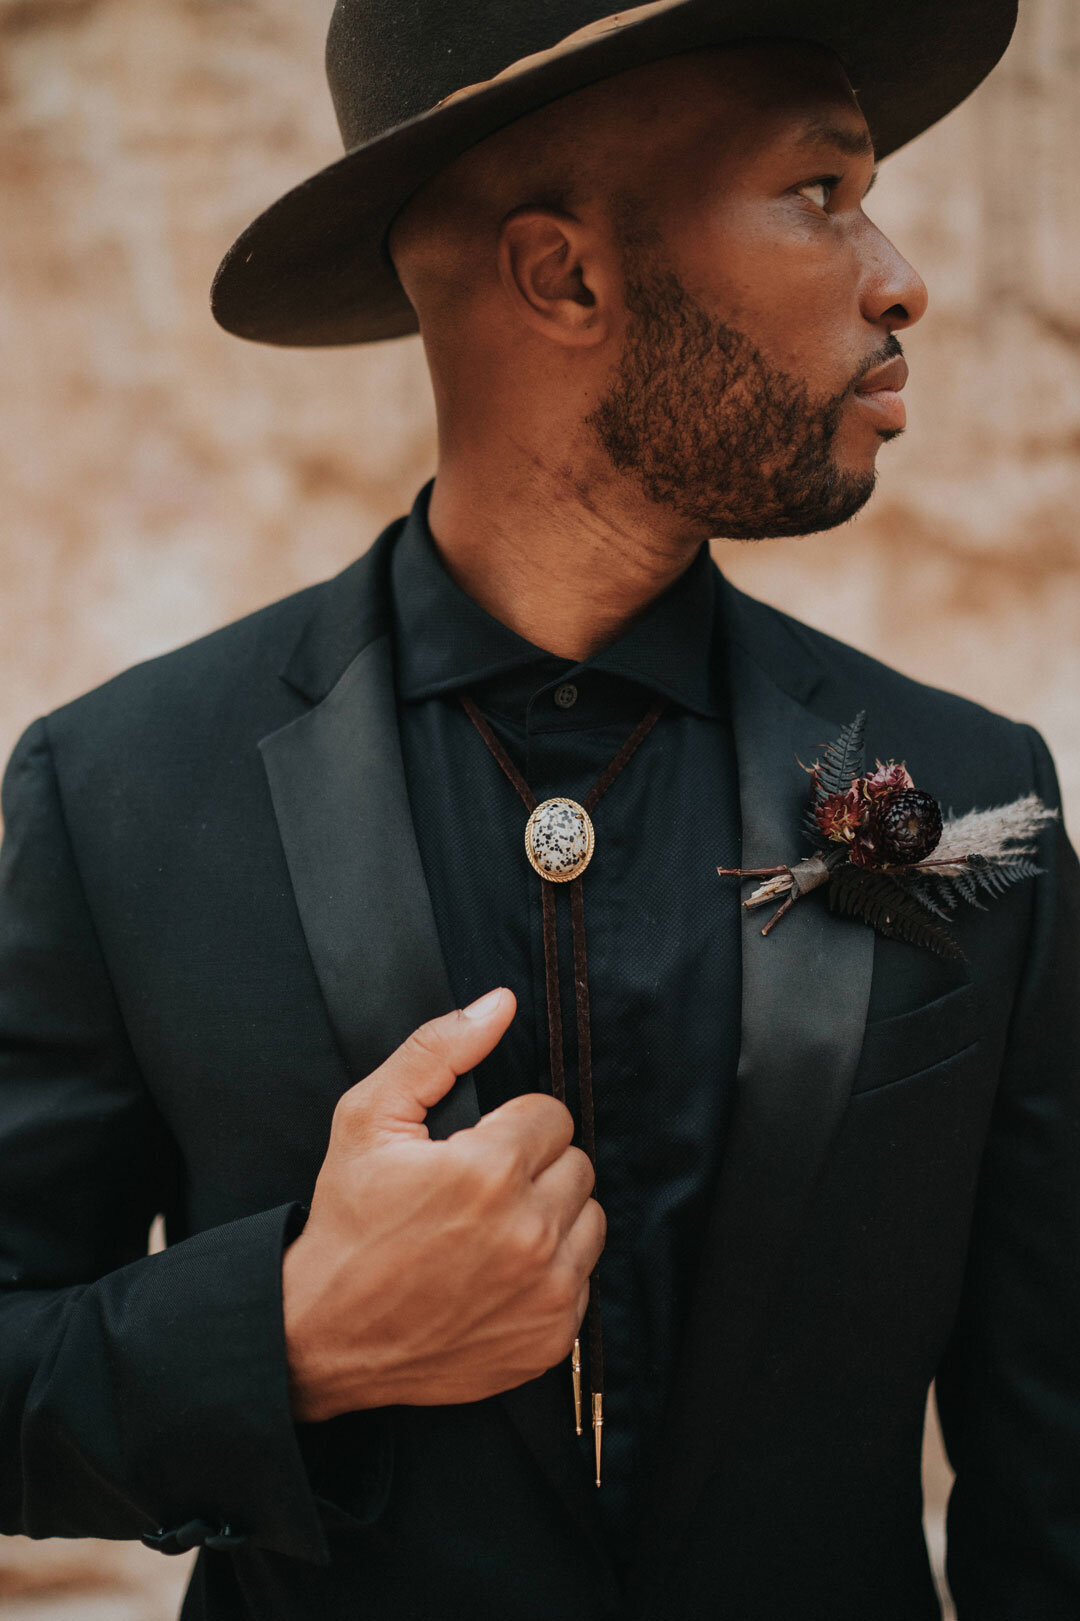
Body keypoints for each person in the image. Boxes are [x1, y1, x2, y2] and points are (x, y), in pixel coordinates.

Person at [1, 2, 1077, 1618]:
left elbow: (1053, 1473)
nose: (899, 272)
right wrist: (287, 1340)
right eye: (823, 190)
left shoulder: (967, 795)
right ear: (563, 276)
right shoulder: (122, 788)